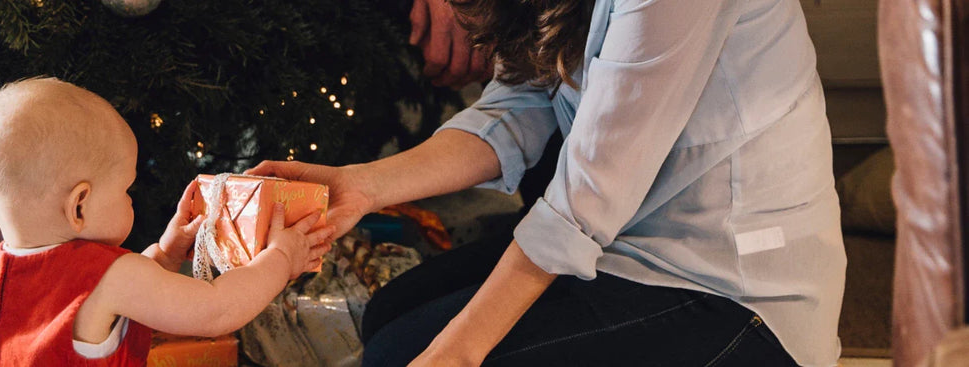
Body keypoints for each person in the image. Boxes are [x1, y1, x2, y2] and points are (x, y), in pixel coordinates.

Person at [246, 0, 846, 365]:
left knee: (401, 353)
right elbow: (520, 102)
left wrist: (458, 352)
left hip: (732, 288)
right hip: (623, 248)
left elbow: (587, 195)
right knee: (392, 314)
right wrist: (363, 185)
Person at [0, 77, 333, 366]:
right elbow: (217, 309)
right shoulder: (109, 275)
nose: (130, 199)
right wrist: (281, 257)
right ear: (79, 206)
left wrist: (165, 255)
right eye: (125, 190)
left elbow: (114, 304)